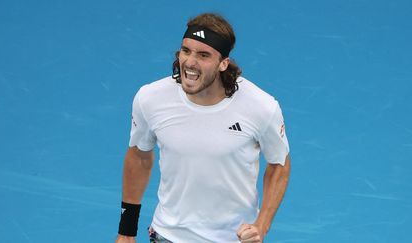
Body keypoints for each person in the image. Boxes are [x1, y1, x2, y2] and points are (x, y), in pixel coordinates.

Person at [115, 13, 290, 243]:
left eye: (203, 55)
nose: (189, 62)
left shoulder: (261, 107)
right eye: (186, 51)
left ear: (223, 63)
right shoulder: (150, 98)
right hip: (168, 236)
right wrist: (127, 230)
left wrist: (261, 225)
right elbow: (138, 157)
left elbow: (279, 164)